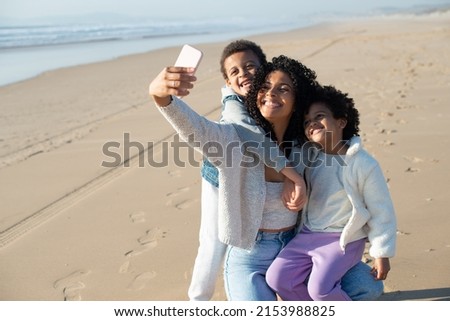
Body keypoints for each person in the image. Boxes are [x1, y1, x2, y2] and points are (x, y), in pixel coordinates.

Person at [149, 54, 384, 301]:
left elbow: (346, 148)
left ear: (298, 100)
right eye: (264, 87)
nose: (271, 93)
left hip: (300, 247)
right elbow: (195, 128)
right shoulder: (233, 139)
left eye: (283, 89)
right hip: (249, 256)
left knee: (367, 287)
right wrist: (161, 96)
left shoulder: (306, 146)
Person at [189, 40, 306, 301]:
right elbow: (251, 135)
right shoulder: (233, 104)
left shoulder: (270, 94)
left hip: (254, 175)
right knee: (213, 240)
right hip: (220, 178)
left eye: (250, 66)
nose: (243, 74)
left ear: (265, 69)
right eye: (235, 72)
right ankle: (198, 300)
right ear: (228, 83)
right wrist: (291, 174)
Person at [266, 85, 397, 300]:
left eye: (320, 116)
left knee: (320, 289)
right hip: (309, 235)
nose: (312, 123)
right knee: (277, 278)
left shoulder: (363, 164)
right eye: (307, 121)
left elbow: (381, 210)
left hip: (343, 240)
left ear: (341, 121)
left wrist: (381, 252)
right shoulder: (309, 159)